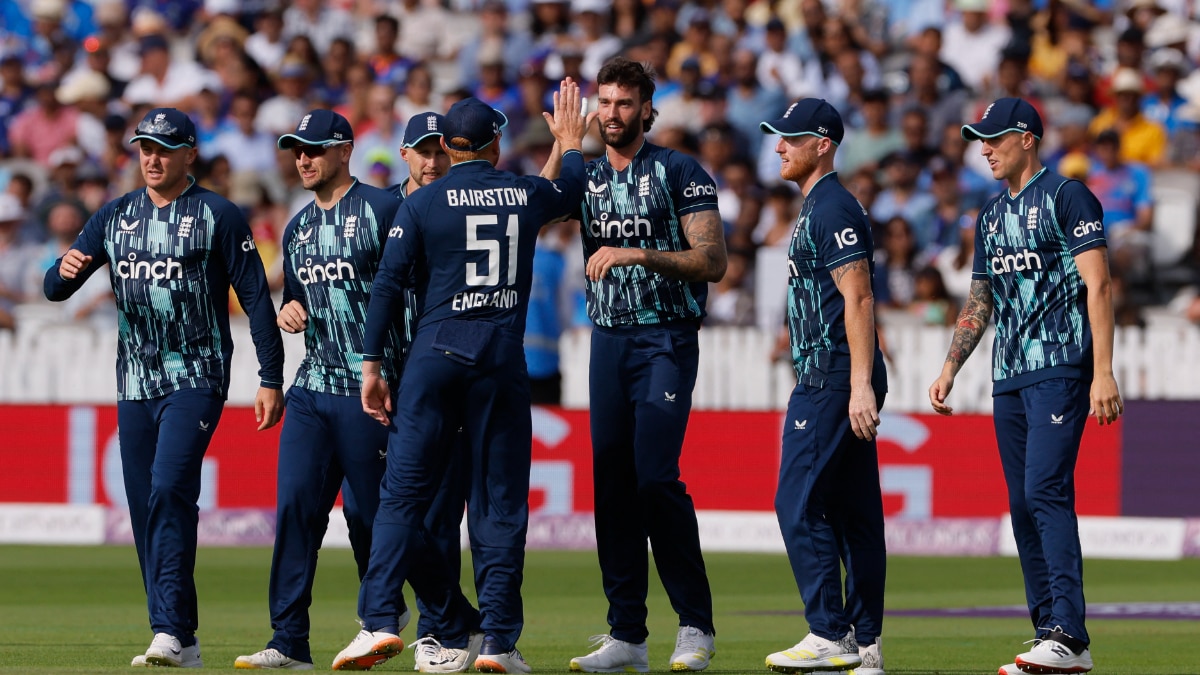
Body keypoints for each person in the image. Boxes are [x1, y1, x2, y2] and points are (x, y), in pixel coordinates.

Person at [331, 83, 592, 672]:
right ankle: (497, 640)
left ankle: (377, 619)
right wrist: (570, 144)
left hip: (432, 358)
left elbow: (388, 287)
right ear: (495, 144)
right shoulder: (523, 195)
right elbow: (567, 191)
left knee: (402, 494)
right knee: (499, 505)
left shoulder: (421, 204)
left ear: (448, 148)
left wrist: (372, 365)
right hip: (498, 361)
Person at [43, 107, 285, 668]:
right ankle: (185, 636)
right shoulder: (115, 216)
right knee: (145, 506)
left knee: (171, 488)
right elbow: (57, 288)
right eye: (145, 148)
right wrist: (63, 268)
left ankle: (168, 630)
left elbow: (254, 300)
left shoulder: (218, 215)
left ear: (188, 155)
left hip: (197, 376)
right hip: (135, 380)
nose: (152, 159)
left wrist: (270, 377)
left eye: (164, 149)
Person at [927, 97, 1123, 675]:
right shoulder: (989, 216)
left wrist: (1105, 370)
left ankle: (1069, 630)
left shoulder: (1068, 197)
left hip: (1063, 366)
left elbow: (1100, 285)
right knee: (1020, 503)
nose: (983, 148)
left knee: (1044, 490)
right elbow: (979, 299)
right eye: (978, 139)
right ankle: (1049, 633)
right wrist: (949, 367)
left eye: (993, 137)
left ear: (1027, 139)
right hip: (1007, 375)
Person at [232, 108, 411, 670]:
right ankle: (289, 642)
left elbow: (417, 290)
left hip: (369, 388)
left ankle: (419, 619)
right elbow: (305, 294)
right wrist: (292, 309)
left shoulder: (386, 209)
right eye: (296, 149)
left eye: (312, 148)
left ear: (344, 150)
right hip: (311, 385)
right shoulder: (298, 226)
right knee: (295, 510)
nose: (302, 159)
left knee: (372, 515)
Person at [565, 56, 727, 675]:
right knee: (611, 486)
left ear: (646, 109)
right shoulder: (582, 172)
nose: (611, 114)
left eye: (623, 103)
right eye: (603, 102)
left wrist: (638, 254)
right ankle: (626, 634)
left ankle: (695, 626)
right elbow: (536, 209)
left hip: (665, 339)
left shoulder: (679, 170)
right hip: (607, 343)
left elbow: (712, 261)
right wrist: (562, 146)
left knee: (655, 477)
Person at [754, 98, 888, 675]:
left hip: (833, 374)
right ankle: (866, 644)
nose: (779, 146)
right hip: (836, 369)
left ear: (823, 144)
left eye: (790, 137)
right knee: (853, 510)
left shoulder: (832, 206)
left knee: (798, 500)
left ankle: (829, 632)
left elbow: (857, 295)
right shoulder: (818, 207)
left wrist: (859, 384)